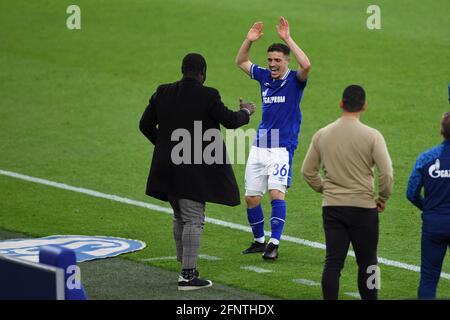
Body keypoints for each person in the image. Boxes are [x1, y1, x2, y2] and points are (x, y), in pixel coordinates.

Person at [139, 53, 255, 290]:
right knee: (193, 218)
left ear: (183, 70)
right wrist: (246, 112)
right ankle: (188, 276)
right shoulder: (208, 95)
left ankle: (185, 264)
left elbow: (144, 125)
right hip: (192, 171)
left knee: (179, 215)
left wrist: (165, 146)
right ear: (202, 72)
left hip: (166, 169)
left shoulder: (162, 91)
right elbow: (231, 121)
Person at [301, 85, 393, 300]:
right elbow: (386, 173)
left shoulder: (323, 134)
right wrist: (382, 198)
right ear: (364, 106)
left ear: (341, 103)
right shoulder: (372, 136)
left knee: (333, 262)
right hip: (364, 209)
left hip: (333, 208)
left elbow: (307, 171)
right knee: (369, 262)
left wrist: (326, 189)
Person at [235, 16, 311, 260]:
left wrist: (287, 38)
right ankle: (259, 240)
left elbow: (306, 65)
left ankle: (274, 243)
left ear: (286, 61)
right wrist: (249, 40)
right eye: (269, 60)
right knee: (251, 196)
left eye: (277, 60)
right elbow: (241, 61)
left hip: (282, 146)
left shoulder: (294, 81)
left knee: (276, 193)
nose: (272, 64)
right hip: (260, 144)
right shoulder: (264, 77)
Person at [406, 111, 450, 299]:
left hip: (434, 225)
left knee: (429, 279)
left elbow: (411, 193)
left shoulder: (426, 158)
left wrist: (429, 209)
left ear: (441, 131)